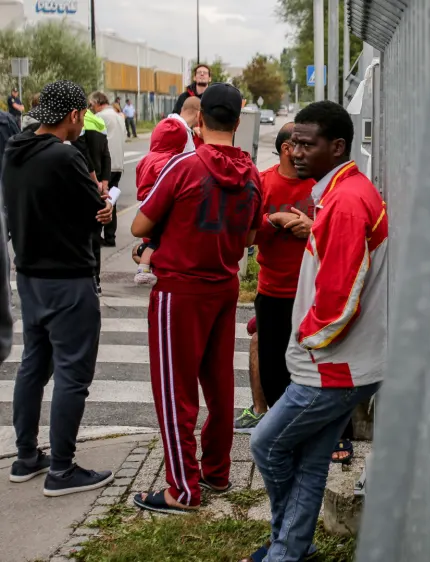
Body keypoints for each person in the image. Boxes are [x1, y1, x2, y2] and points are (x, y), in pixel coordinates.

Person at [247, 101, 387, 562]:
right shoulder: (343, 192)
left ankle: (287, 545)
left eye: (308, 144)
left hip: (331, 368)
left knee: (265, 445)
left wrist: (305, 342)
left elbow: (338, 298)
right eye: (293, 143)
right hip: (344, 364)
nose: (296, 151)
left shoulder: (346, 202)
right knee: (308, 463)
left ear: (338, 146)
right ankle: (291, 550)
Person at [131, 83, 262, 515]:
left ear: (199, 119)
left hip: (180, 290)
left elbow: (138, 225)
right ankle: (218, 471)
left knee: (176, 390)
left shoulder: (185, 165)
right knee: (219, 384)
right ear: (239, 123)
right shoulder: (253, 174)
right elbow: (249, 237)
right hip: (223, 286)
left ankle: (182, 490)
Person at [3, 80, 114, 496]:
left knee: (34, 363)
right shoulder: (65, 157)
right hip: (67, 277)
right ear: (71, 116)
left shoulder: (15, 149)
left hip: (29, 276)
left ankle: (26, 455)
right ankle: (63, 470)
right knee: (72, 373)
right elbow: (95, 210)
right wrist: (102, 206)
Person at [234, 122, 316, 433]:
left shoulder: (319, 184)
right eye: (304, 146)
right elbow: (246, 237)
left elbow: (338, 230)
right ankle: (269, 419)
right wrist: (273, 220)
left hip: (311, 291)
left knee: (311, 362)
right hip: (272, 291)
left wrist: (313, 228)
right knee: (271, 363)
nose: (309, 153)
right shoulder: (263, 182)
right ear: (286, 149)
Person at [131, 97, 202, 285]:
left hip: (146, 204)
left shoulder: (148, 158)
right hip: (162, 204)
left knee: (153, 239)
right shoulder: (170, 159)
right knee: (158, 241)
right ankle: (144, 269)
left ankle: (145, 263)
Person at [71, 95, 112, 294]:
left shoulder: (78, 125)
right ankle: (95, 279)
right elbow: (106, 152)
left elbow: (83, 156)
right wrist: (104, 181)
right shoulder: (99, 122)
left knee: (83, 235)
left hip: (85, 182)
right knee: (95, 235)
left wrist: (95, 180)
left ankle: (88, 279)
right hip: (96, 184)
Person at [94, 92, 126, 247]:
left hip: (107, 164)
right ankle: (110, 236)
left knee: (102, 199)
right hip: (119, 163)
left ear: (98, 103)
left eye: (92, 105)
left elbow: (97, 140)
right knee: (111, 200)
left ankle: (98, 234)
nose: (92, 108)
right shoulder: (118, 116)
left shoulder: (101, 117)